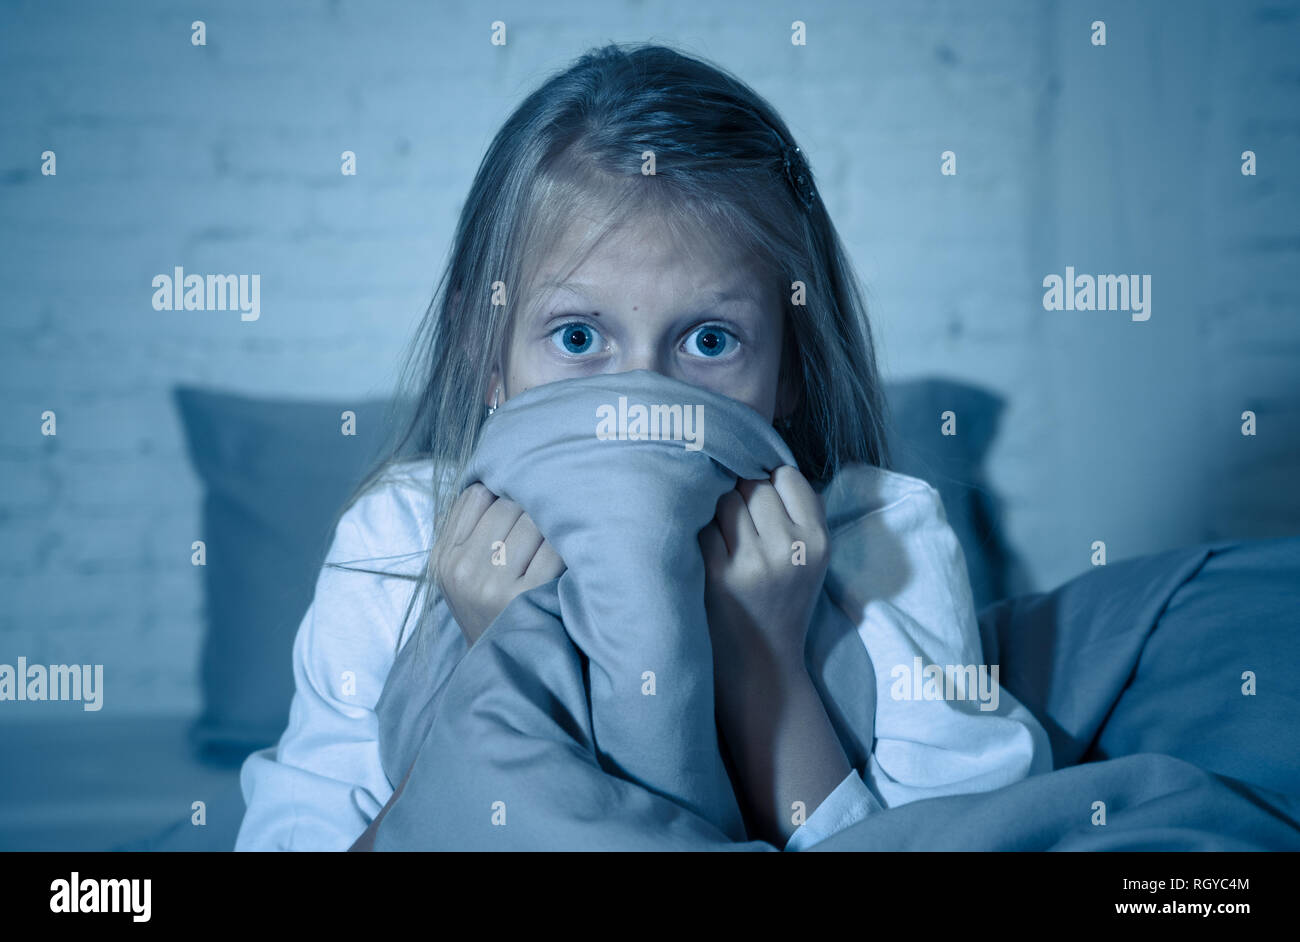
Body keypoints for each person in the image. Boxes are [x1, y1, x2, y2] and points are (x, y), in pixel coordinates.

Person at [236, 41, 1051, 852]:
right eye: (580, 334)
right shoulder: (401, 539)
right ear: (488, 353)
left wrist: (766, 664)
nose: (641, 407)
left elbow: (963, 836)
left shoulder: (882, 538)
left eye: (707, 340)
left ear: (791, 366)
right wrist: (503, 668)